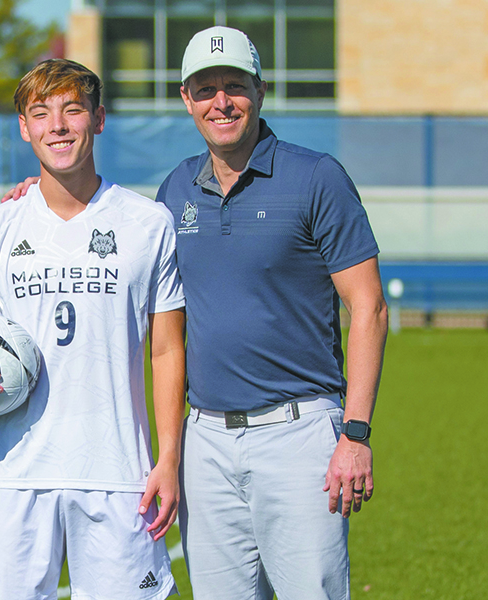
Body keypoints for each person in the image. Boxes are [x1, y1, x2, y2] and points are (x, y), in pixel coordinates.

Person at [0, 59, 185, 599]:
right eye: (41, 114)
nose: (57, 126)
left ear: (98, 119)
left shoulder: (149, 223)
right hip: (19, 475)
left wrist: (169, 458)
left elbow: (166, 349)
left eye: (72, 110)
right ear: (24, 127)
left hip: (119, 474)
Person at [154, 26, 389, 599]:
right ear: (186, 99)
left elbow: (370, 307)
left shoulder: (316, 177)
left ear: (261, 90)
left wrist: (355, 434)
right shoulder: (175, 189)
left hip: (301, 432)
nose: (221, 102)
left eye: (235, 86)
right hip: (204, 441)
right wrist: (38, 190)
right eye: (205, 89)